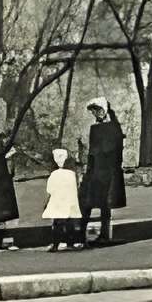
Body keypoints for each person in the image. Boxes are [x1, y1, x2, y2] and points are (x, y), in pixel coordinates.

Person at [83, 98, 128, 246]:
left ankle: (104, 234)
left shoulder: (114, 128)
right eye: (94, 111)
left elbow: (115, 151)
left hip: (109, 171)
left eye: (98, 110)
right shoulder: (94, 128)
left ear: (105, 110)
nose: (96, 113)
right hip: (95, 170)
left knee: (105, 205)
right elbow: (92, 150)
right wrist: (89, 169)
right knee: (87, 202)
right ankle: (80, 234)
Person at [41, 147, 85, 251]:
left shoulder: (54, 174)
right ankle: (72, 242)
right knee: (70, 222)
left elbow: (50, 190)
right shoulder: (72, 174)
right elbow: (76, 188)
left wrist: (47, 202)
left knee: (57, 223)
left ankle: (56, 244)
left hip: (58, 202)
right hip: (70, 201)